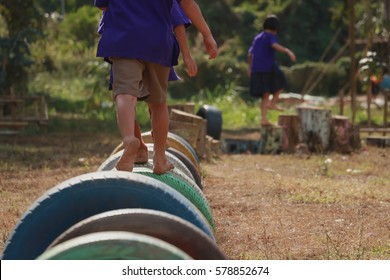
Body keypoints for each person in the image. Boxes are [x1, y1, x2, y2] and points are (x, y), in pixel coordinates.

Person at [94, 0, 217, 174]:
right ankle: (160, 160)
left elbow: (103, 6)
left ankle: (130, 140)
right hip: (157, 42)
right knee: (158, 104)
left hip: (123, 39)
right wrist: (206, 34)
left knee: (125, 94)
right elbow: (187, 5)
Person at [248, 14, 296, 126]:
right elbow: (274, 45)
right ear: (276, 28)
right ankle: (273, 103)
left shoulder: (257, 37)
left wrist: (249, 68)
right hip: (267, 67)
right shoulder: (270, 36)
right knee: (282, 82)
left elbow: (250, 54)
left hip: (257, 69)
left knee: (265, 94)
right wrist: (287, 51)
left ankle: (264, 119)